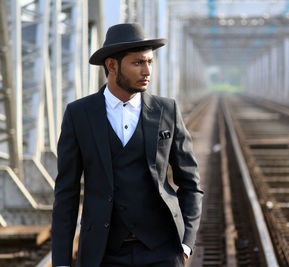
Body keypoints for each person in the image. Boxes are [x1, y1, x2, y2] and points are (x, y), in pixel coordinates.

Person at [51, 23, 203, 267]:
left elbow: (191, 183)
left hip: (162, 251)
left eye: (150, 62)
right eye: (138, 63)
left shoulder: (167, 110)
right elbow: (66, 194)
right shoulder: (79, 114)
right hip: (102, 254)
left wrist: (185, 243)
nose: (147, 71)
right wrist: (61, 261)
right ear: (112, 65)